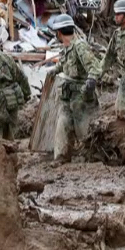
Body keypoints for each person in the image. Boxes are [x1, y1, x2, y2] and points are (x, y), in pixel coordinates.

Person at [49, 14, 101, 162]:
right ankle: (61, 156)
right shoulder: (67, 48)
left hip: (81, 95)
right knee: (63, 123)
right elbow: (64, 63)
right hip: (68, 93)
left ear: (59, 33)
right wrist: (55, 70)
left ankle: (92, 156)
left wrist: (90, 82)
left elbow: (94, 66)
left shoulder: (79, 46)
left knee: (84, 126)